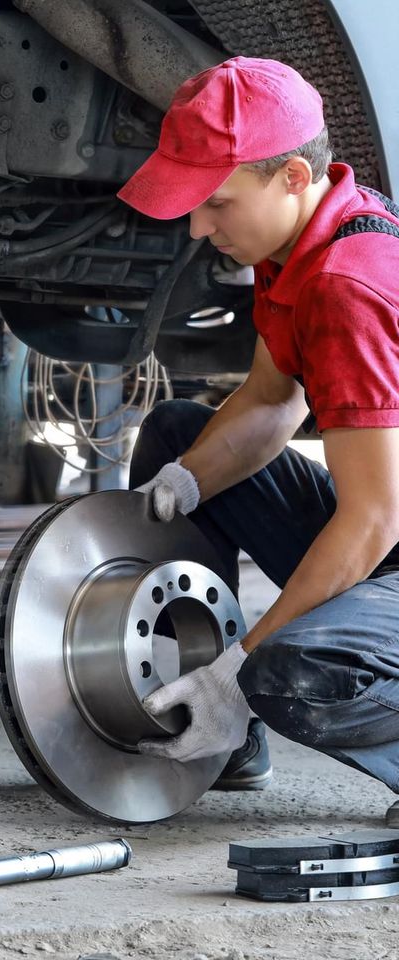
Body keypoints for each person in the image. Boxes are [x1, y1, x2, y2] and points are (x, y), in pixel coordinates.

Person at [118, 56, 399, 819]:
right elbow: (273, 401)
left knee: (287, 675)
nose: (199, 226)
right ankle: (220, 731)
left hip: (389, 527)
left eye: (217, 203)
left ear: (292, 180)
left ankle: (234, 699)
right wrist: (184, 483)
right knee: (178, 437)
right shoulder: (298, 243)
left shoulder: (348, 286)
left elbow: (374, 520)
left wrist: (240, 670)